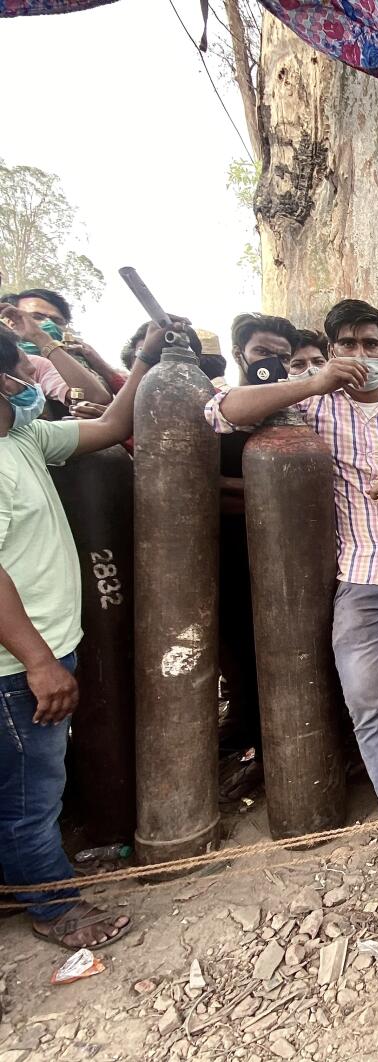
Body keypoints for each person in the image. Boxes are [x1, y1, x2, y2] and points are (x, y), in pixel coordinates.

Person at [205, 298, 378, 917]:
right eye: (349, 345)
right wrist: (315, 378)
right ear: (333, 349)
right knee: (366, 701)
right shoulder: (309, 404)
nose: (362, 356)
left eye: (372, 344)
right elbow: (221, 411)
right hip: (359, 581)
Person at [0, 317, 162, 949]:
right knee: (29, 797)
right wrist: (39, 663)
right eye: (10, 370)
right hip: (17, 665)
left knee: (32, 784)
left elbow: (114, 427)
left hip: (45, 646)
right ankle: (53, 907)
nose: (21, 381)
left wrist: (144, 361)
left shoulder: (25, 438)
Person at [217, 313, 302, 793]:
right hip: (232, 553)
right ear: (240, 356)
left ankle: (278, 750)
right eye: (260, 353)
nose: (271, 363)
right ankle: (248, 737)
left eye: (281, 357)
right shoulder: (223, 409)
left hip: (293, 558)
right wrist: (267, 488)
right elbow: (195, 482)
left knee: (291, 653)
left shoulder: (299, 412)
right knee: (239, 650)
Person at [0, 304, 111, 409]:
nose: (49, 323)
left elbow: (96, 397)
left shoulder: (37, 364)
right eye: (37, 317)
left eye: (57, 320)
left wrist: (39, 337)